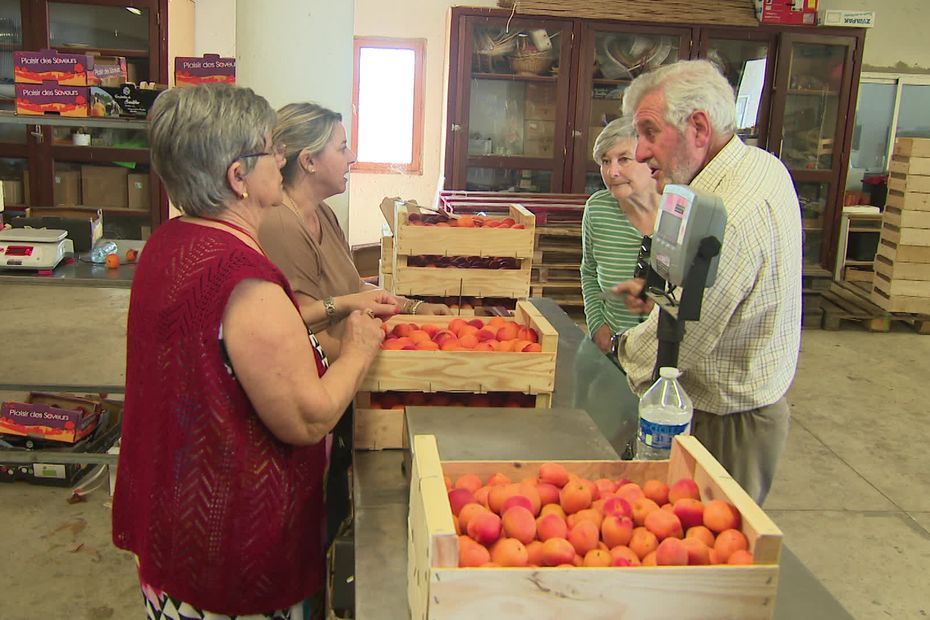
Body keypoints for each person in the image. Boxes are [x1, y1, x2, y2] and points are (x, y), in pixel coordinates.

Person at [112, 84, 386, 619]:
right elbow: (307, 417)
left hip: (173, 516)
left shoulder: (168, 242)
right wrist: (356, 348)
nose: (281, 159)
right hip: (230, 541)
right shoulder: (244, 282)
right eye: (270, 150)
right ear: (239, 176)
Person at [613, 60, 802, 505]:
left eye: (648, 132)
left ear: (699, 127)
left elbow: (681, 340)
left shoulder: (727, 217)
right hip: (736, 402)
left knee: (703, 552)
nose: (639, 153)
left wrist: (619, 349)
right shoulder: (758, 165)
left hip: (726, 424)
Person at [259, 102, 449, 361]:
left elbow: (354, 287)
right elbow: (302, 325)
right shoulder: (281, 225)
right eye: (341, 148)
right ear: (309, 161)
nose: (352, 156)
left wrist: (414, 308)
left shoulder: (322, 213)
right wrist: (395, 360)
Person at [581, 116, 659, 354]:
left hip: (663, 358)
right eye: (605, 161)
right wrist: (597, 327)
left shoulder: (681, 211)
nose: (612, 172)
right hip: (610, 353)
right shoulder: (597, 209)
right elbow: (589, 271)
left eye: (624, 159)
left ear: (650, 159)